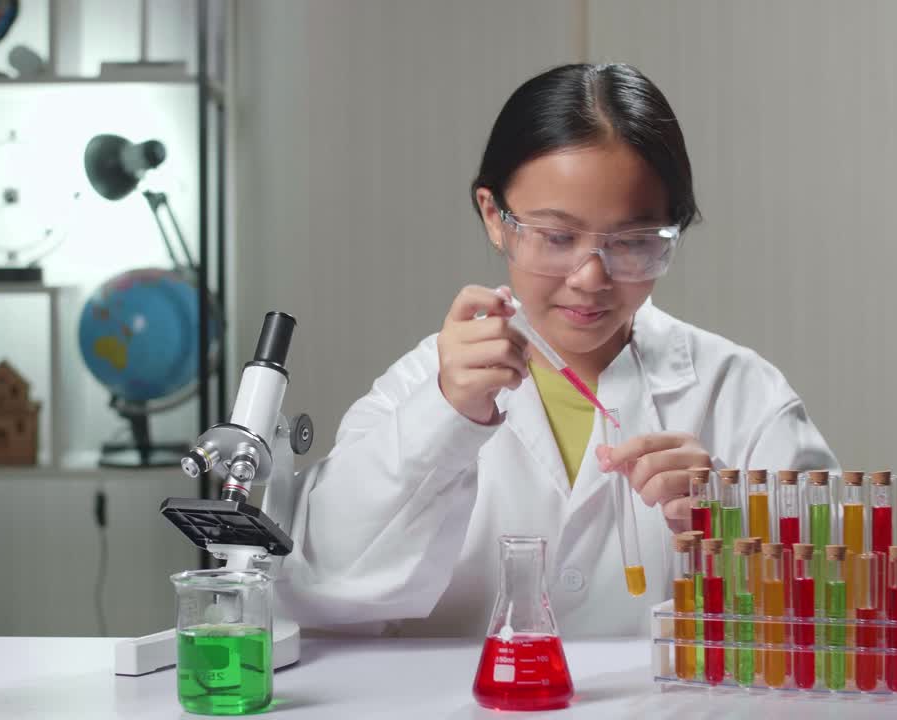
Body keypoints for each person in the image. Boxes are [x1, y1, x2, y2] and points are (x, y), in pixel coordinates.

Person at [277, 63, 837, 638]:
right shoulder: (419, 387)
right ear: (496, 218)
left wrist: (732, 517)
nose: (591, 277)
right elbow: (318, 585)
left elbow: (844, 612)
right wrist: (443, 417)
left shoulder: (741, 394)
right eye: (558, 237)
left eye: (634, 242)